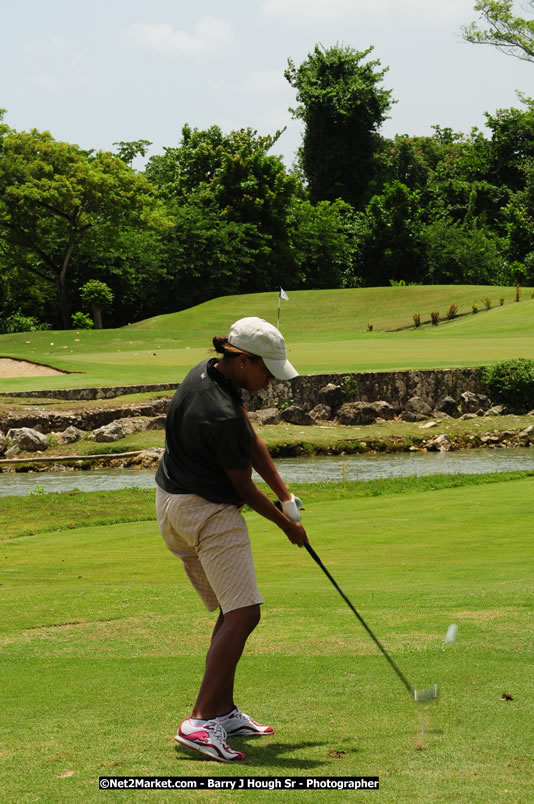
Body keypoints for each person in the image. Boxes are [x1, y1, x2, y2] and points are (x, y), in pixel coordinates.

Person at [155, 316, 308, 764]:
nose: (270, 381)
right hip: (207, 511)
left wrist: (285, 496)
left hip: (172, 504)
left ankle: (222, 711)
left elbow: (250, 436)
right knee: (244, 613)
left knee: (231, 609)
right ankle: (200, 722)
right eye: (266, 370)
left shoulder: (209, 374)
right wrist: (289, 528)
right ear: (243, 360)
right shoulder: (219, 414)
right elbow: (242, 488)